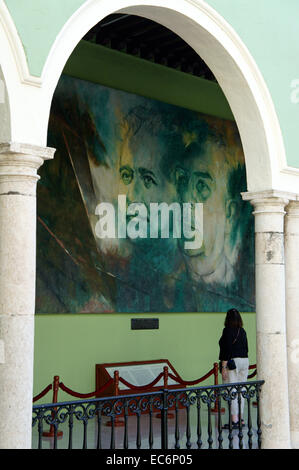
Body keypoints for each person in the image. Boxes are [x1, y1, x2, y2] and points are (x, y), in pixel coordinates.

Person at [219, 308, 249, 428]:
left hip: (233, 362)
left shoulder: (227, 331)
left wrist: (224, 367)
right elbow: (246, 349)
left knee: (231, 390)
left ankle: (234, 420)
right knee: (241, 390)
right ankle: (241, 419)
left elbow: (226, 350)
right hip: (245, 361)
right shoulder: (242, 331)